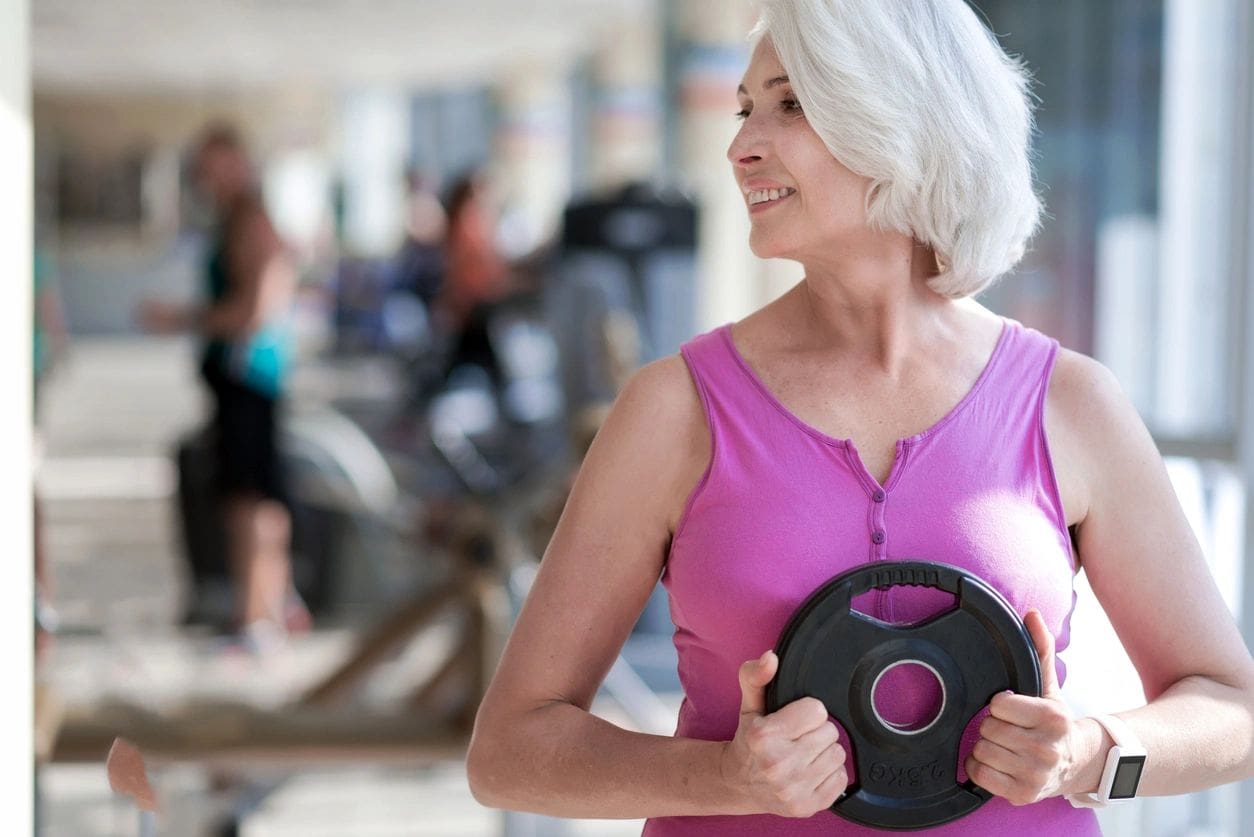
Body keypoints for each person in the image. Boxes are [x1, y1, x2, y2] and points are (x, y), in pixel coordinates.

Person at [466, 1, 1254, 834]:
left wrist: (1092, 751)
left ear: (906, 115)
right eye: (745, 108)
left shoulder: (1071, 404)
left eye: (791, 104)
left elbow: (1232, 709)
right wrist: (729, 777)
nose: (741, 147)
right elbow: (510, 750)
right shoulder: (675, 409)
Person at [141, 123, 305, 651]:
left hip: (247, 377)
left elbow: (253, 311)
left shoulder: (250, 221)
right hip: (248, 378)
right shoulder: (242, 219)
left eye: (214, 166)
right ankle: (269, 608)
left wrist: (180, 319)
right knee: (258, 498)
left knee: (247, 502)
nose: (206, 178)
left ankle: (254, 617)